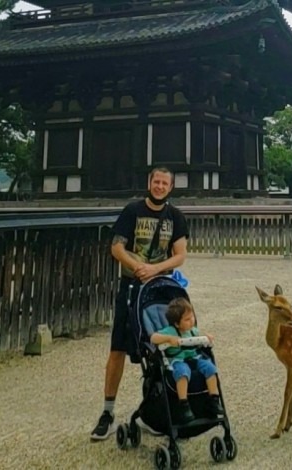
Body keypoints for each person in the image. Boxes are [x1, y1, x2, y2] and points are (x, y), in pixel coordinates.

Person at [90, 167, 189, 441]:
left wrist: (155, 268)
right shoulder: (132, 211)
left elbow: (179, 255)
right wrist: (137, 266)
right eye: (156, 181)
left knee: (163, 349)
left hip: (160, 291)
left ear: (171, 187)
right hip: (131, 286)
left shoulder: (175, 216)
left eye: (164, 183)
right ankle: (108, 412)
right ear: (149, 183)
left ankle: (159, 411)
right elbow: (117, 247)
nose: (159, 186)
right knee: (118, 348)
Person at [150, 298, 224, 423]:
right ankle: (183, 403)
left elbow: (200, 335)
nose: (192, 321)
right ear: (177, 324)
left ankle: (214, 399)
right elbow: (153, 338)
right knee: (183, 373)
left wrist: (206, 337)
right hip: (178, 360)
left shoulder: (192, 331)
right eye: (187, 319)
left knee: (211, 368)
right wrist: (169, 339)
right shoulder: (170, 330)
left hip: (194, 358)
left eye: (192, 317)